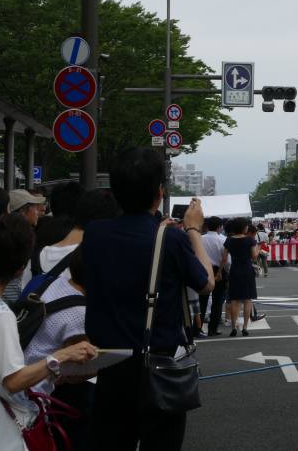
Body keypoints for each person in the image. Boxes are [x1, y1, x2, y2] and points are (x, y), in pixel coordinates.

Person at [81, 147, 214, 451]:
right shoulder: (170, 239)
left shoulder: (95, 234)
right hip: (159, 366)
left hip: (108, 365)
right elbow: (207, 283)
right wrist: (193, 230)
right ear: (159, 192)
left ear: (114, 190)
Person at [0, 213, 97, 451]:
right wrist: (62, 355)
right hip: (5, 424)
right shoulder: (0, 314)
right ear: (20, 268)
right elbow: (14, 381)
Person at [3, 189, 46, 302]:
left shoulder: (4, 232)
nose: (37, 211)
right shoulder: (18, 237)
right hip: (9, 299)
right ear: (23, 211)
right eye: (34, 207)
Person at [223, 217, 259, 337]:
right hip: (247, 270)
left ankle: (234, 327)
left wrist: (220, 272)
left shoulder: (229, 240)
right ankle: (245, 327)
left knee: (235, 300)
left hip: (234, 270)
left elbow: (224, 258)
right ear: (244, 227)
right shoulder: (250, 240)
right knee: (247, 300)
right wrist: (258, 248)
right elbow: (254, 256)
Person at [200, 216, 227, 336]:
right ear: (219, 227)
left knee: (202, 300)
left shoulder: (200, 239)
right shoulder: (222, 239)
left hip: (203, 269)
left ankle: (198, 327)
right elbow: (227, 260)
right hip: (218, 270)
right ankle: (212, 328)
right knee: (217, 301)